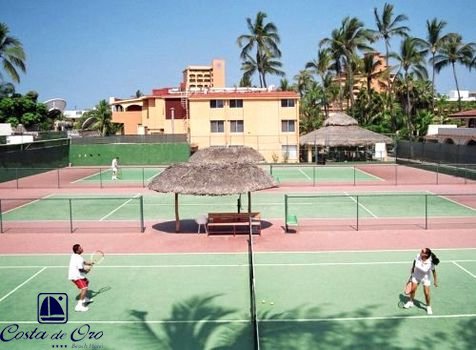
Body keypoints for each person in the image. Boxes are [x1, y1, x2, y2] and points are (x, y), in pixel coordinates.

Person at [403, 248, 440, 315]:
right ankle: (410, 302)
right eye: (421, 251)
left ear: (426, 254)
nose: (421, 252)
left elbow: (434, 272)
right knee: (413, 290)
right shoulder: (418, 256)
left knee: (426, 293)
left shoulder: (430, 262)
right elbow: (414, 261)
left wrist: (435, 281)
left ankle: (428, 306)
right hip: (416, 276)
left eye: (423, 251)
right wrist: (413, 268)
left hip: (425, 278)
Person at [68, 244, 93, 312]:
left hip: (77, 275)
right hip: (76, 276)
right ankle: (79, 306)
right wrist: (87, 271)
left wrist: (89, 263)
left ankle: (84, 298)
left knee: (87, 282)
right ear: (77, 250)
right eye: (80, 248)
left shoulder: (75, 255)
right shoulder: (78, 258)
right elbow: (81, 269)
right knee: (84, 288)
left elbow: (83, 262)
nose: (82, 248)